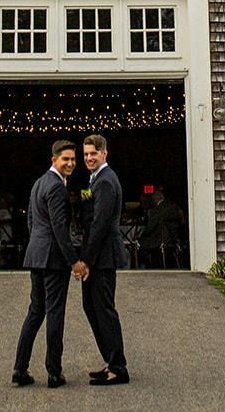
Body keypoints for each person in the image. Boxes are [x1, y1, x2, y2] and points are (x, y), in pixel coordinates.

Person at [13, 140, 79, 388]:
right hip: (53, 260)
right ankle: (54, 372)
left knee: (35, 312)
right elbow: (59, 227)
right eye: (66, 159)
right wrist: (73, 261)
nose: (71, 163)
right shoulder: (57, 188)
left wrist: (37, 246)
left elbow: (31, 220)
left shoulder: (39, 183)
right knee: (54, 314)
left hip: (36, 254)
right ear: (54, 160)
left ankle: (20, 369)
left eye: (73, 159)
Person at [77, 133, 129, 386]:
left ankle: (118, 368)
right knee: (91, 307)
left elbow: (100, 223)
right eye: (86, 154)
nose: (88, 158)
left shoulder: (106, 181)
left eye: (93, 154)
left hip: (103, 256)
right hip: (96, 256)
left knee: (104, 310)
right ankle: (111, 361)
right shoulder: (95, 180)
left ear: (104, 153)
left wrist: (85, 260)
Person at [139, 185, 183, 267]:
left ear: (155, 200)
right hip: (173, 239)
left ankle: (145, 265)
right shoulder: (173, 208)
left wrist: (141, 236)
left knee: (141, 243)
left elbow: (150, 227)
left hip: (159, 240)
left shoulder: (155, 211)